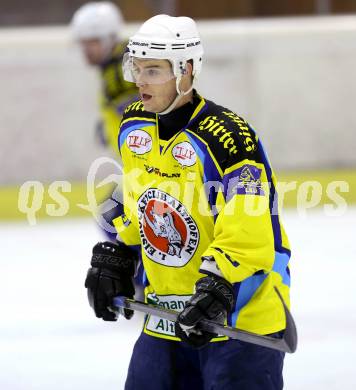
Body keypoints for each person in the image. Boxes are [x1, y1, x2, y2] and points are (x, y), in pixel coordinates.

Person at [84, 14, 292, 389]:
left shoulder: (228, 136)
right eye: (137, 68)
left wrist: (219, 285)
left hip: (237, 320)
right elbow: (141, 201)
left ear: (187, 70)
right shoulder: (134, 125)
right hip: (165, 318)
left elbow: (251, 226)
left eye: (153, 71)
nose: (139, 82)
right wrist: (123, 252)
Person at [71, 1, 138, 241]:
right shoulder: (117, 64)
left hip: (145, 169)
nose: (86, 50)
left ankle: (144, 277)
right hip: (139, 168)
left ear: (109, 37)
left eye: (92, 42)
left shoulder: (119, 70)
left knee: (111, 220)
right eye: (84, 44)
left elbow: (148, 115)